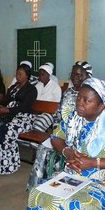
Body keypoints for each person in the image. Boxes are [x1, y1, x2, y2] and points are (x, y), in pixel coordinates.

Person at [27, 78, 105, 210]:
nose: (79, 103)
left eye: (87, 101)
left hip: (103, 181)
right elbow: (56, 137)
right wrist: (67, 151)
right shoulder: (74, 117)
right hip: (72, 175)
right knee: (37, 194)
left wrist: (92, 162)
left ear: (101, 105)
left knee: (65, 206)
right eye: (79, 97)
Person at [26, 61, 93, 190]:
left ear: (88, 76)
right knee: (42, 149)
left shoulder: (90, 96)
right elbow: (58, 115)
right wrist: (57, 133)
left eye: (79, 75)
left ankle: (60, 184)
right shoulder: (68, 93)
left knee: (59, 152)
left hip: (82, 137)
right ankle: (39, 187)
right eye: (73, 74)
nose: (75, 77)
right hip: (62, 134)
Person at [0, 63, 38, 175]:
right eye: (17, 73)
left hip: (25, 118)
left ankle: (9, 165)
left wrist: (7, 110)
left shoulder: (31, 89)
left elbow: (25, 107)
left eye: (21, 74)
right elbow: (5, 101)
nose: (18, 76)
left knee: (8, 130)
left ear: (27, 76)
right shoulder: (13, 88)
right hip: (11, 116)